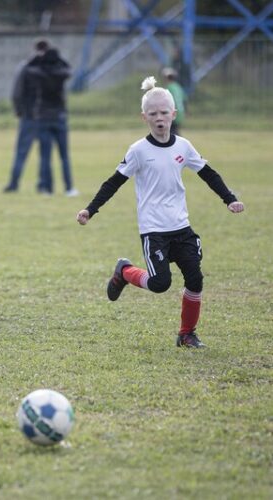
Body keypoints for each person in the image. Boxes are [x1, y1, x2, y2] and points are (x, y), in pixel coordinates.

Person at [76, 76, 244, 348]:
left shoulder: (183, 146)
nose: (159, 118)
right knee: (159, 283)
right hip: (154, 230)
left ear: (173, 114)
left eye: (164, 112)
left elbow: (208, 174)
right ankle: (125, 271)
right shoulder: (139, 151)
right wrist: (90, 210)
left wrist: (229, 199)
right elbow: (113, 182)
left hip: (182, 227)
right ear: (144, 117)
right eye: (153, 114)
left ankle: (186, 334)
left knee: (195, 279)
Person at [3, 39, 47, 194]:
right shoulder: (50, 68)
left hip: (28, 116)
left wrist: (18, 110)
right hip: (45, 117)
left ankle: (14, 184)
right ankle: (43, 186)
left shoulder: (25, 67)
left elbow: (16, 91)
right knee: (45, 154)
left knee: (21, 152)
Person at [35, 47, 78, 197]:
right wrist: (59, 59)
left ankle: (47, 188)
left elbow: (30, 68)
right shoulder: (61, 74)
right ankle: (69, 188)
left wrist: (39, 58)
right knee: (64, 156)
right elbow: (69, 69)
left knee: (45, 156)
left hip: (43, 117)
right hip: (59, 117)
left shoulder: (39, 74)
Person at [162, 67, 187, 136]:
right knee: (173, 131)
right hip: (180, 113)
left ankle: (180, 145)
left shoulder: (168, 88)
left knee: (172, 133)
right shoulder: (178, 87)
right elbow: (184, 100)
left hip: (172, 112)